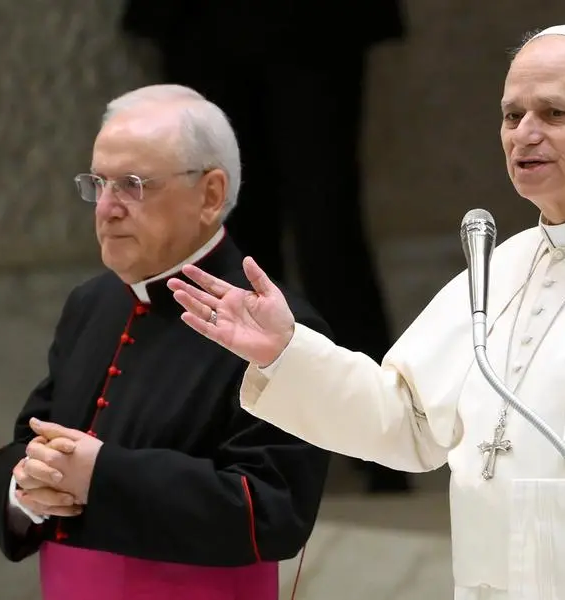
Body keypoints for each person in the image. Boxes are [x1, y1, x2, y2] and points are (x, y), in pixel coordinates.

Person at [168, 25, 565, 600]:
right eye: (512, 115)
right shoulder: (499, 267)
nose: (525, 132)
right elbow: (406, 423)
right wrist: (287, 352)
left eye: (554, 113)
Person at [0, 85, 332, 600]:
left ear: (210, 195)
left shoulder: (276, 327)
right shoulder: (91, 304)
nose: (106, 208)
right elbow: (26, 440)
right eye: (98, 183)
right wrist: (27, 486)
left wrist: (102, 476)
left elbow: (272, 509)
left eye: (132, 185)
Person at [119, 0, 411, 494]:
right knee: (222, 228)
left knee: (327, 226)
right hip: (205, 25)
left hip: (313, 24)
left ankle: (376, 435)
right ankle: (234, 432)